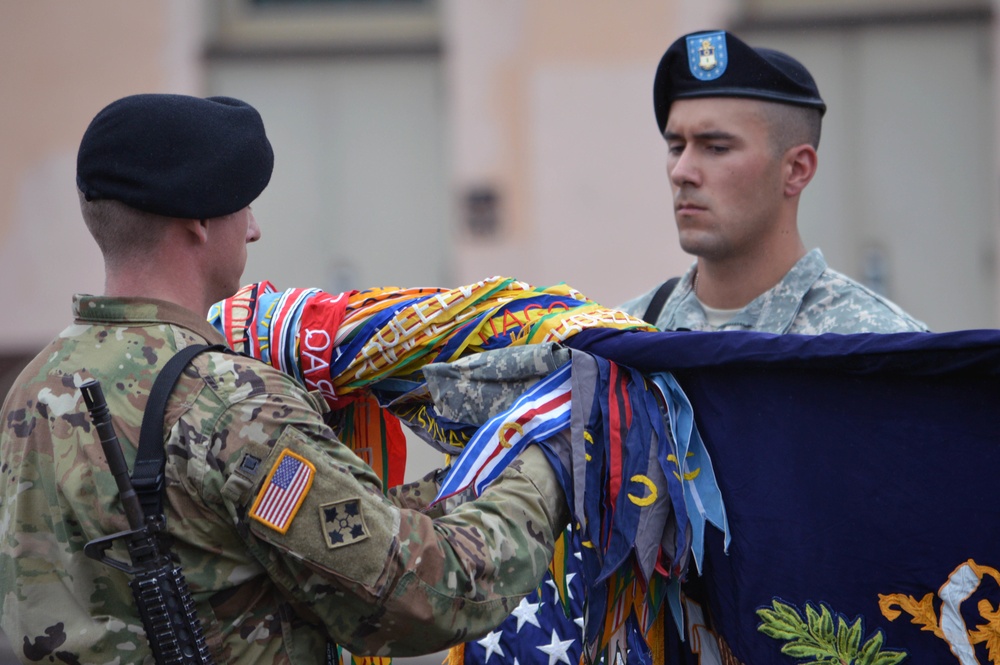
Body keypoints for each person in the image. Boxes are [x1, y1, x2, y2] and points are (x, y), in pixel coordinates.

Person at [0, 94, 568, 665]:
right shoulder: (231, 404)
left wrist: (480, 474)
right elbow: (416, 594)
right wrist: (547, 466)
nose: (254, 230)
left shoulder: (32, 388)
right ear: (198, 221)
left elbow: (323, 528)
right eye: (243, 207)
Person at [619, 30, 928, 334]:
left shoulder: (876, 347)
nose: (681, 172)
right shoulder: (624, 338)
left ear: (796, 169)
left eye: (716, 148)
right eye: (676, 147)